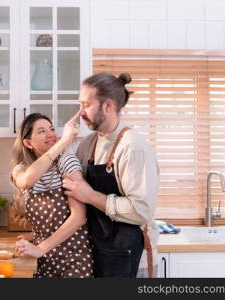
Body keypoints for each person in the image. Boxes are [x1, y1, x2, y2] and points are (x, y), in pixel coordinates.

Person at [62, 72, 160, 278]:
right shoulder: (89, 144)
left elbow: (141, 211)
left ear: (107, 106)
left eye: (86, 105)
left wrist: (89, 195)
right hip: (100, 252)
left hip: (131, 257)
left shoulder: (133, 148)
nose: (80, 112)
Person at [10, 112, 93, 278]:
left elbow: (79, 218)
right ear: (28, 143)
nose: (50, 134)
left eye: (52, 129)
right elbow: (26, 181)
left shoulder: (66, 161)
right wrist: (36, 235)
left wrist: (40, 247)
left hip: (74, 260)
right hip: (45, 261)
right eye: (41, 131)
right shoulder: (21, 170)